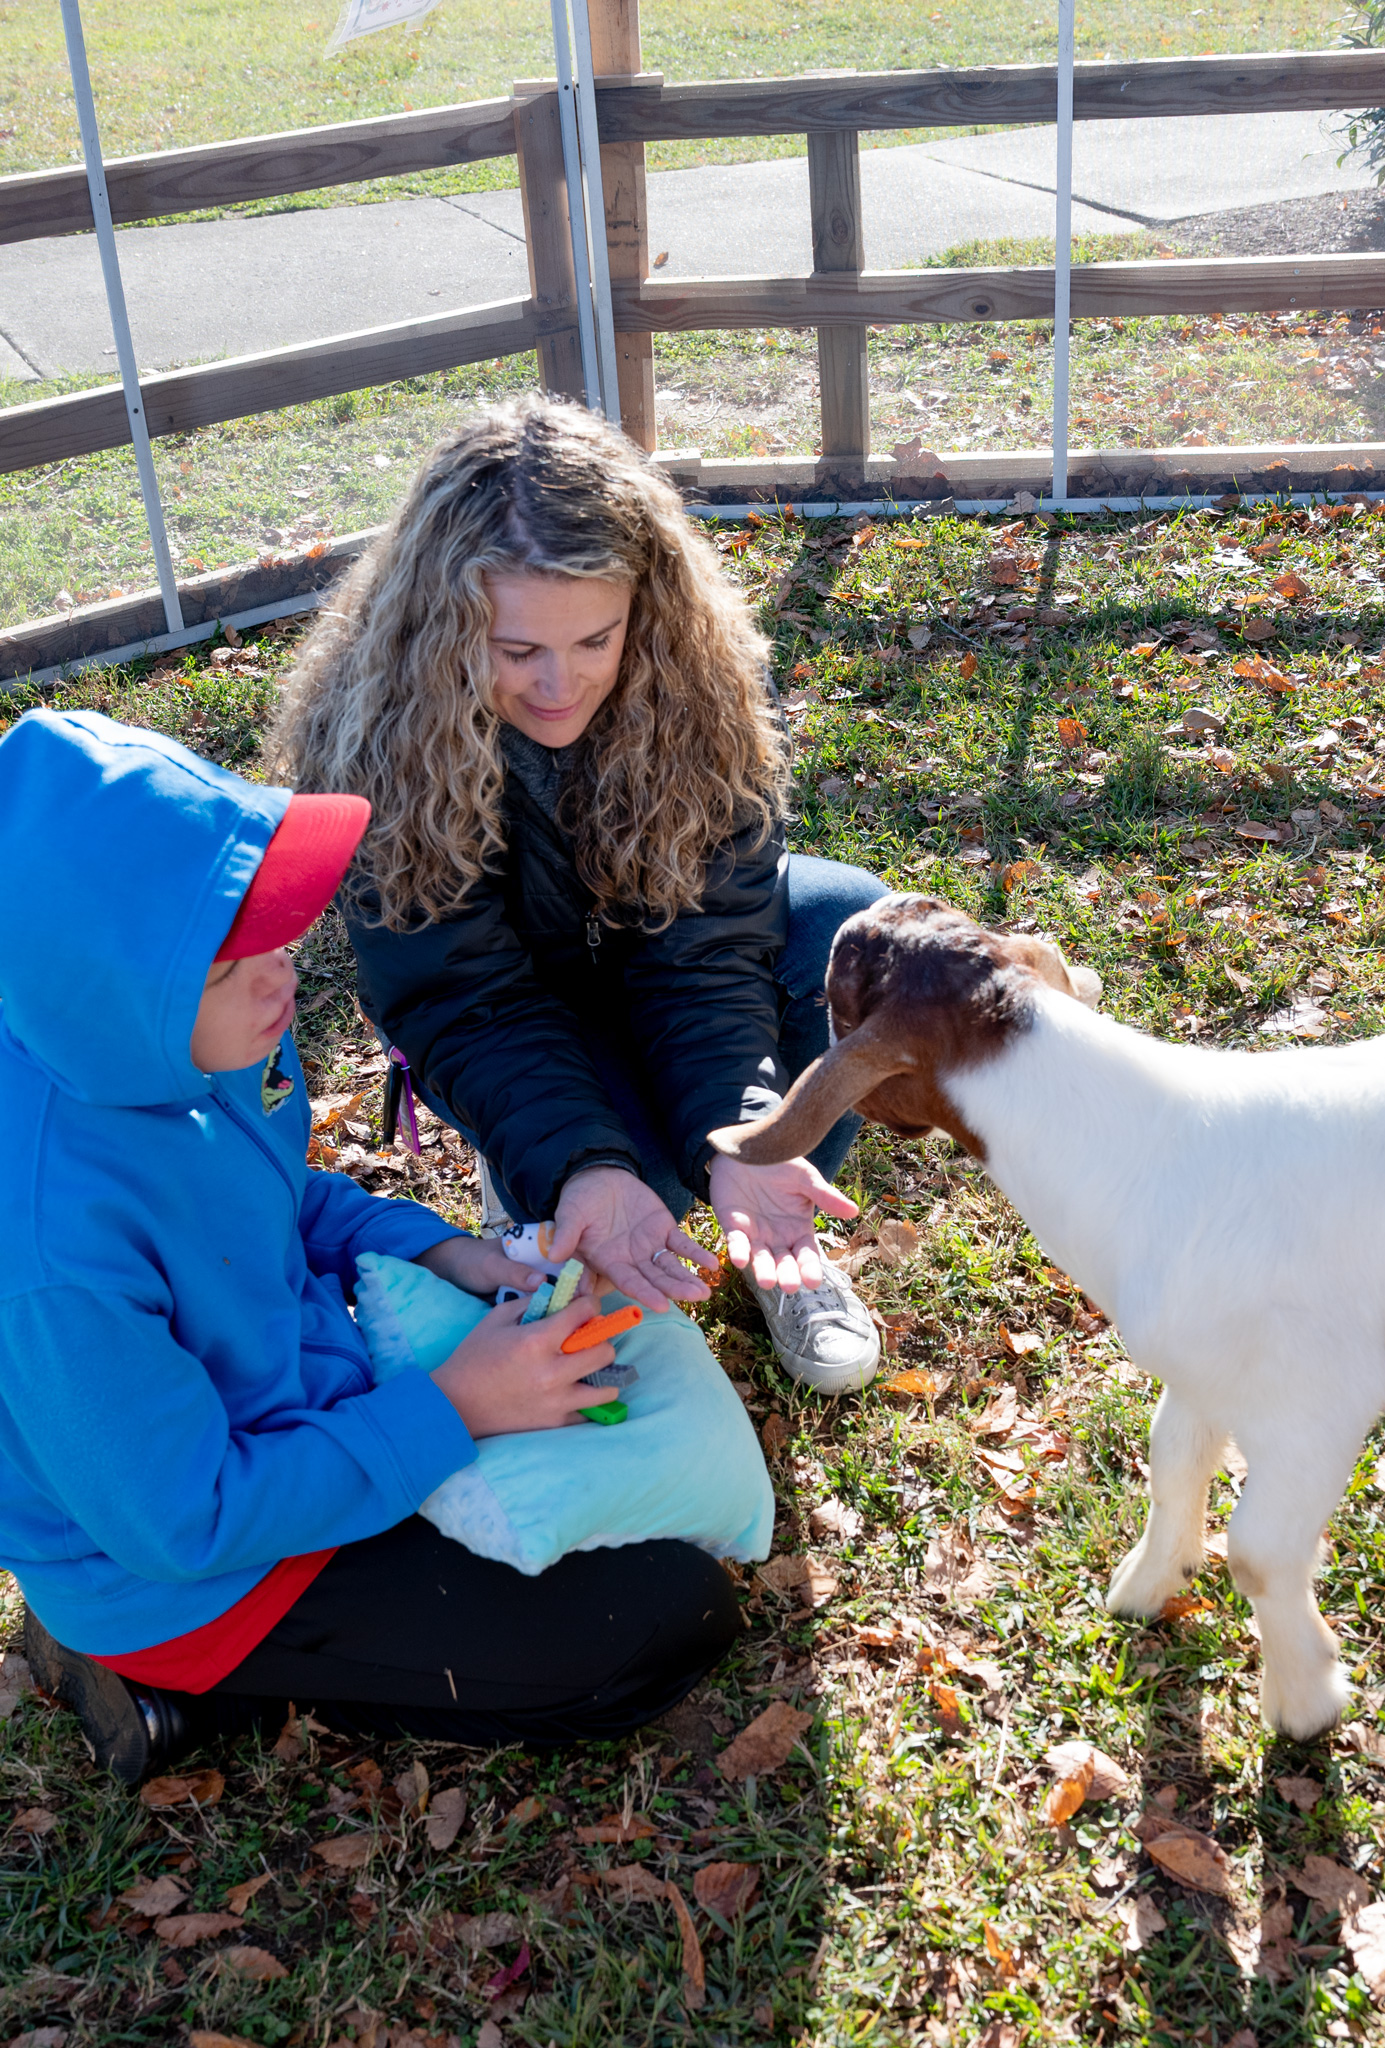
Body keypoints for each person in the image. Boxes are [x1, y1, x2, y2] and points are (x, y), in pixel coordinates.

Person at [0, 709, 740, 1784]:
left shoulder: (179, 1030)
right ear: (106, 994)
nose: (280, 979)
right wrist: (455, 1406)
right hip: (191, 1573)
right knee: (659, 1619)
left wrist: (448, 1254)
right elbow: (189, 1517)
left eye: (268, 929)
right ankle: (155, 1674)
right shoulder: (51, 1248)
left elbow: (275, 1194)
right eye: (223, 968)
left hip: (288, 1426)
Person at [277, 399, 889, 1396]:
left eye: (595, 640)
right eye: (516, 651)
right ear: (442, 624)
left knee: (848, 927)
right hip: (514, 1004)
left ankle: (775, 1230)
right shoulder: (379, 735)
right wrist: (584, 1165)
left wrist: (744, 1132)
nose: (560, 683)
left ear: (645, 608)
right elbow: (457, 996)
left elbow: (701, 953)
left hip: (654, 964)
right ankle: (544, 1186)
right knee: (614, 1192)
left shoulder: (698, 679)